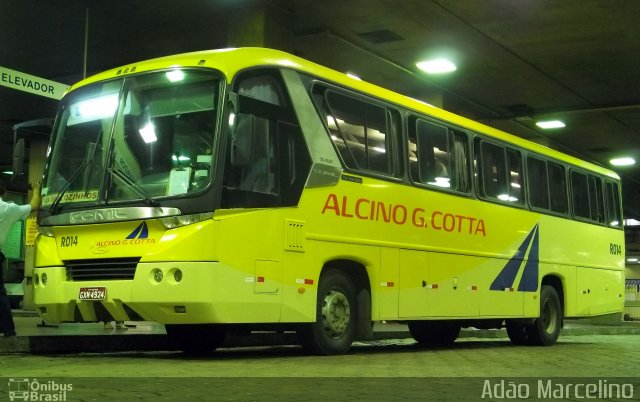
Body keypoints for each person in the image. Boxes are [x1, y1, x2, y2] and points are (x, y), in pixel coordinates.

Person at [0, 179, 41, 337]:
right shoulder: (8, 209)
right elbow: (34, 206)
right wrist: (36, 189)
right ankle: (8, 329)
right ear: (5, 193)